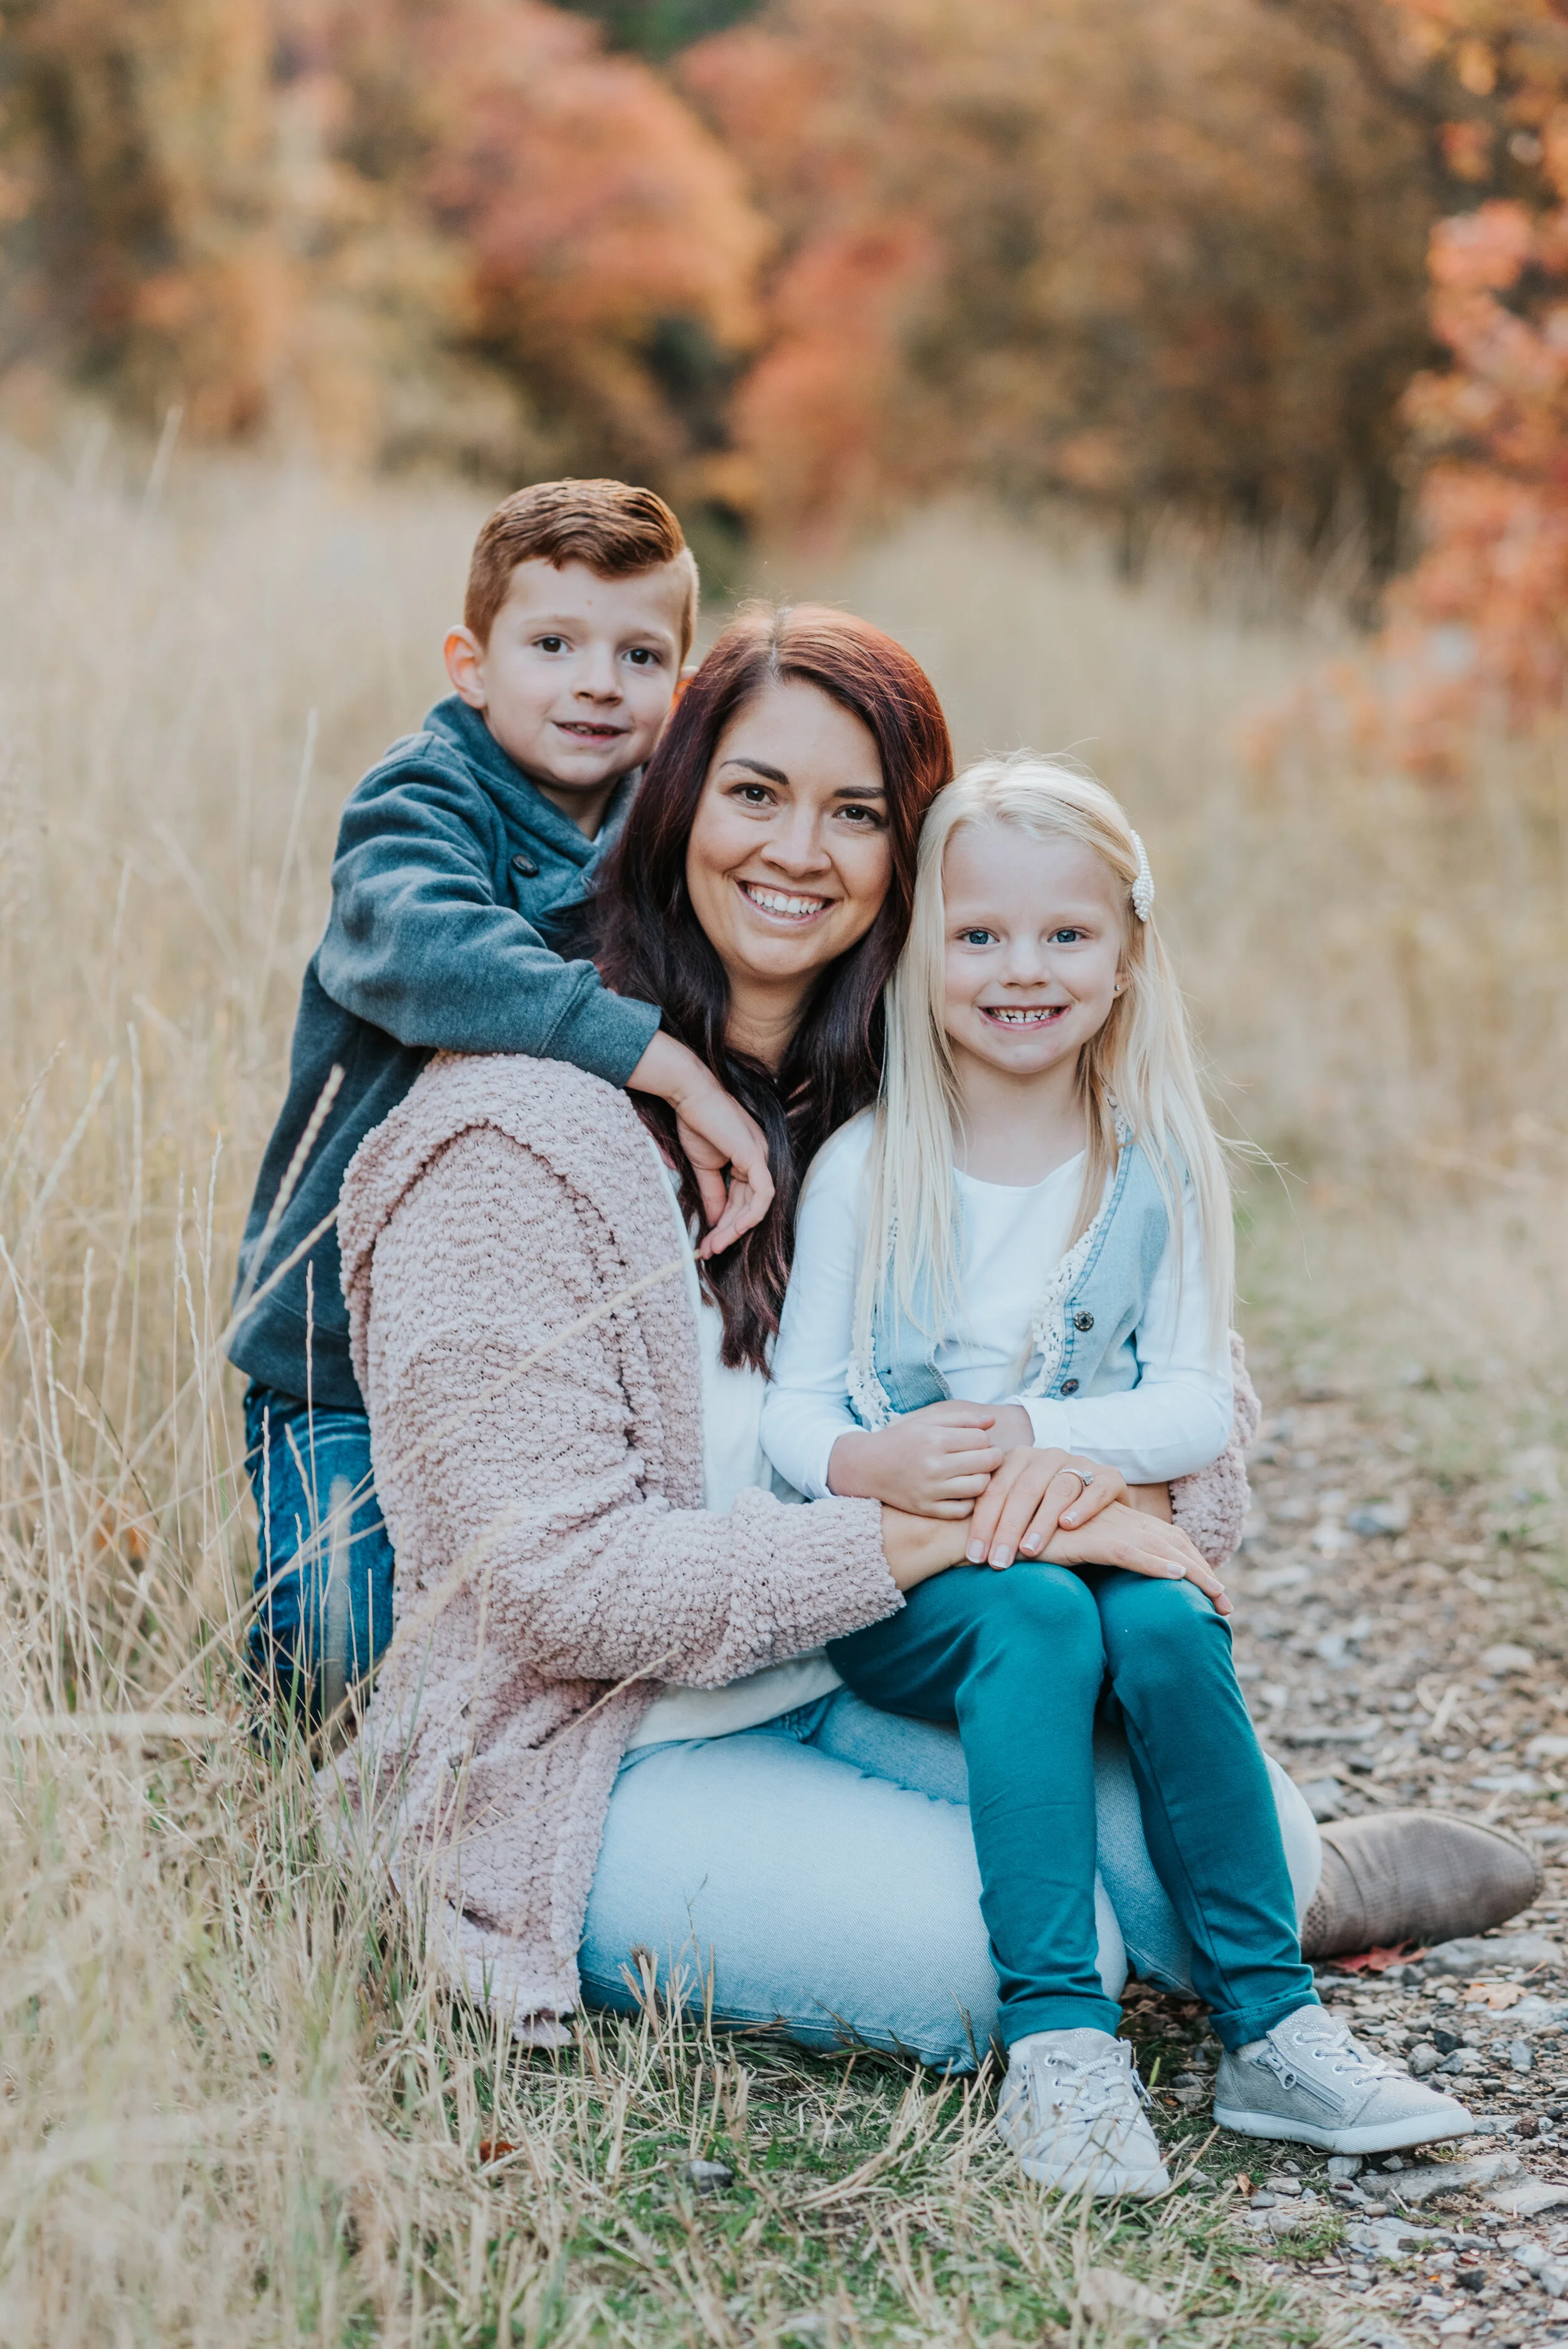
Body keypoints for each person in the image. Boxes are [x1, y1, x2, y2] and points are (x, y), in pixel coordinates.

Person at [331, 607, 1336, 2201]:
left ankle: (1317, 1898)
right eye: (752, 793)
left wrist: (1109, 1500)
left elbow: (1172, 1388)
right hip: (609, 1745)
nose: (799, 850)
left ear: (909, 865)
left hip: (866, 1677)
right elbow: (557, 1587)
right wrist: (911, 1536)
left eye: (857, 812)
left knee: (1248, 1852)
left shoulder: (903, 1092)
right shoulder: (511, 1143)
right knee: (1007, 1949)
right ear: (673, 811)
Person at [760, 755, 1477, 2192]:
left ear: (1125, 958)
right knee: (1033, 1617)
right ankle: (1058, 2044)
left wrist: (1049, 1443)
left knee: (1154, 1619)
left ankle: (1272, 2029)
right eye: (977, 936)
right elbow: (795, 1412)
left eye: (1063, 936)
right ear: (919, 958)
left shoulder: (1157, 1168)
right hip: (921, 1593)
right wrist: (869, 1459)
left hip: (1088, 1545)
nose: (1020, 970)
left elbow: (1194, 1404)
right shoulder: (865, 1165)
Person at [231, 480, 773, 1719]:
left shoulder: (665, 824)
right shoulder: (418, 801)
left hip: (526, 1340)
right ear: (470, 665)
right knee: (335, 1625)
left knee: (509, 1626)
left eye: (638, 655)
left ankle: (472, 1811)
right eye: (553, 646)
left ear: (679, 688)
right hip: (338, 1353)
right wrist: (659, 1059)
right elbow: (434, 954)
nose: (597, 683)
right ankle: (287, 1816)